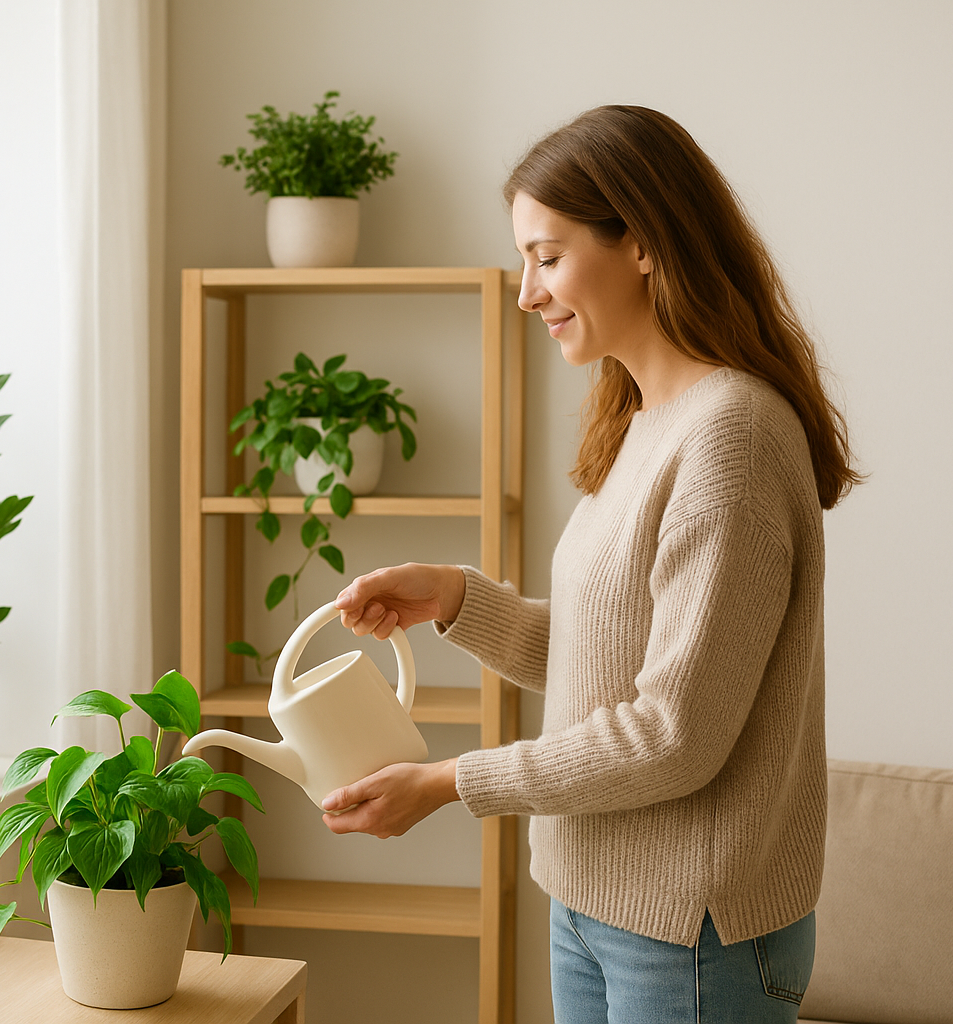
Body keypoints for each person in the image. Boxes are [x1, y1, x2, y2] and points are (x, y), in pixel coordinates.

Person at [323, 105, 860, 1023]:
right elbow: (604, 660)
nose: (527, 293)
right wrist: (458, 599)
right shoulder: (645, 423)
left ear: (644, 243)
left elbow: (674, 734)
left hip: (691, 929)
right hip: (590, 904)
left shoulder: (730, 435)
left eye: (548, 254)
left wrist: (453, 782)